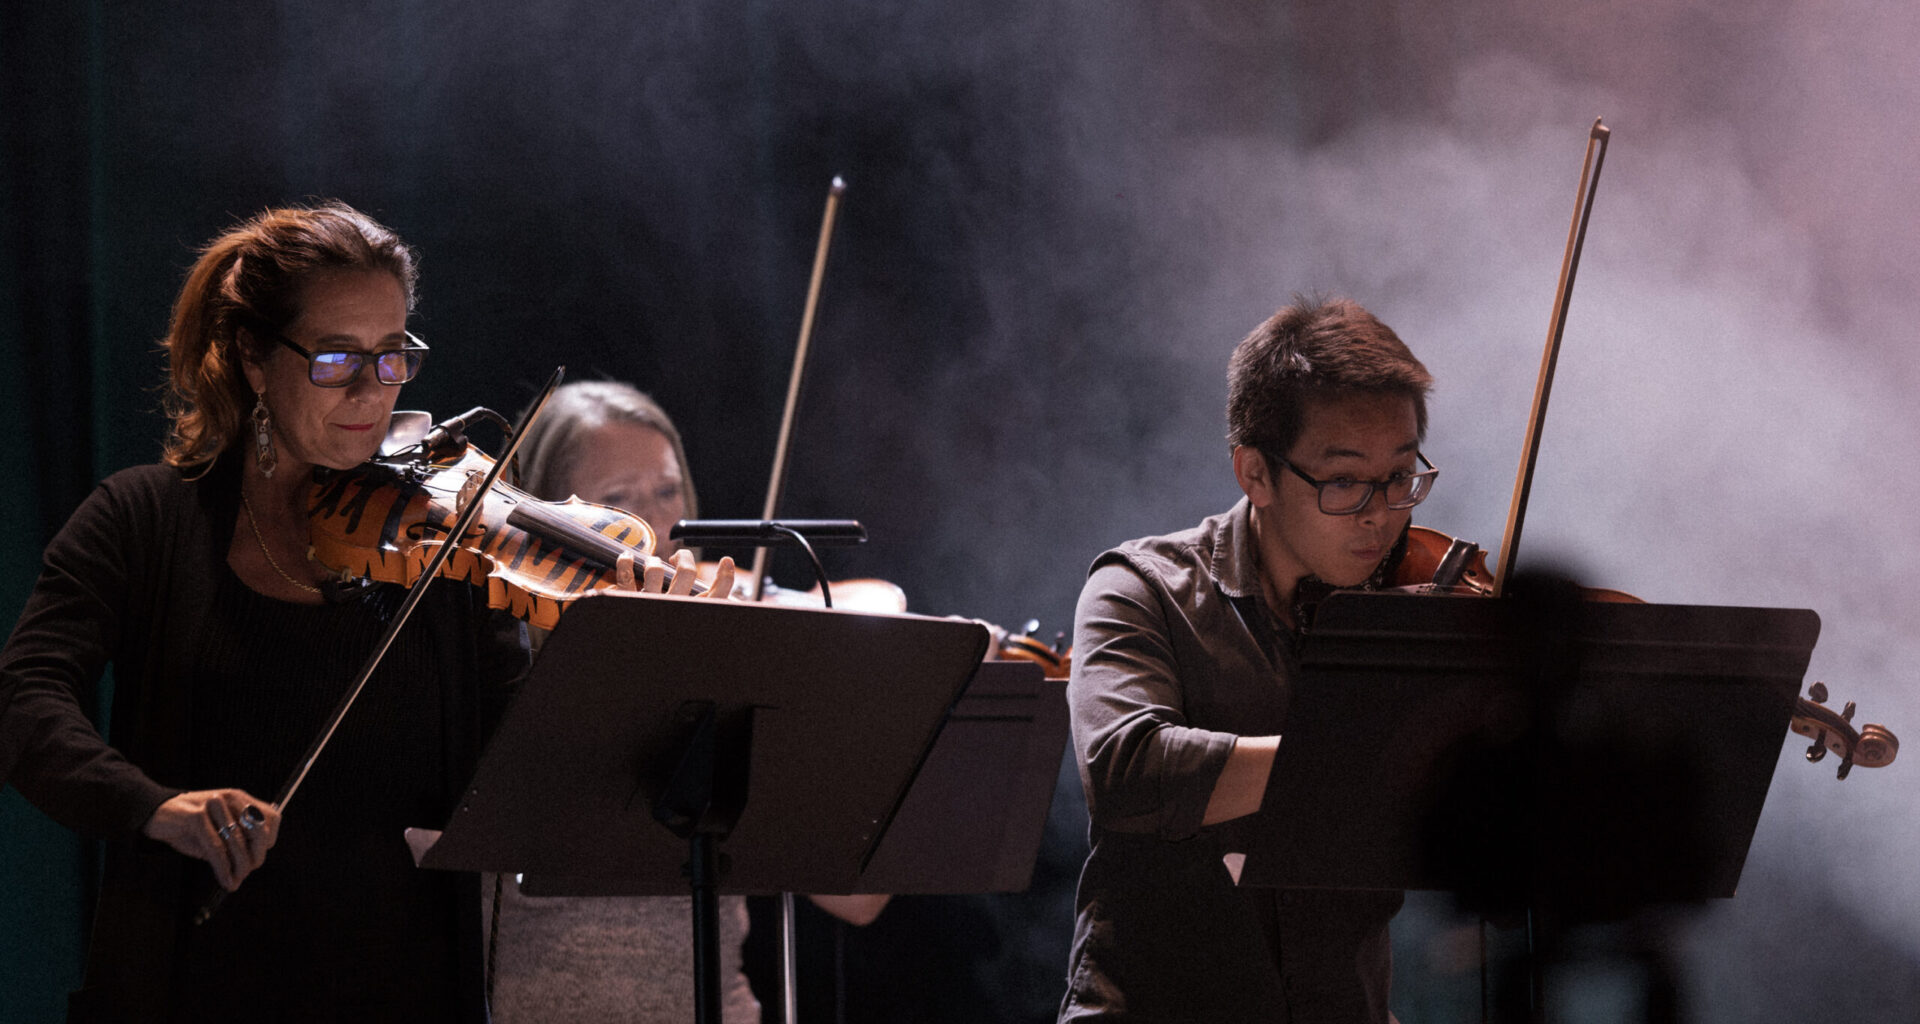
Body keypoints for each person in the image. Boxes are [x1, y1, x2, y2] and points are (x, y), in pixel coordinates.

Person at [0, 203, 712, 1023]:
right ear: (254, 358)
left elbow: (517, 772)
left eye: (392, 356)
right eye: (337, 358)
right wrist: (155, 807)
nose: (372, 392)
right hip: (184, 983)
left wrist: (640, 656)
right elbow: (24, 699)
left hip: (402, 990)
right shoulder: (146, 521)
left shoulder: (445, 541)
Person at [1059, 297, 1431, 1023]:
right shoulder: (1140, 591)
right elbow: (1127, 771)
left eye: (1401, 476)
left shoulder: (1407, 614)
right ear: (1254, 473)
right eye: (1345, 481)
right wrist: (1342, 755)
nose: (1381, 514)